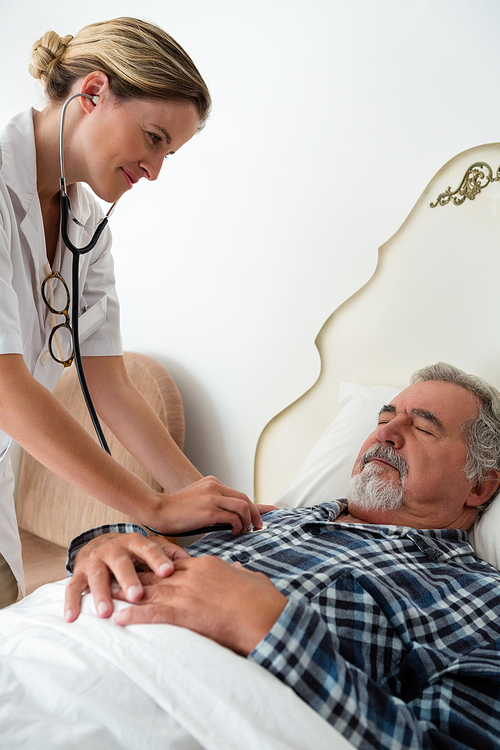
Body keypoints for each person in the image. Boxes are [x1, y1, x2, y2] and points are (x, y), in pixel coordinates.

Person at [66, 362, 500, 749]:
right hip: (61, 638)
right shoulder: (267, 517)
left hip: (154, 711)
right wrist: (105, 544)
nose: (386, 432)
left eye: (423, 428)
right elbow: (161, 549)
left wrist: (271, 629)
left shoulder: (482, 601)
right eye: (384, 417)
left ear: (479, 486)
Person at [0, 17, 265, 607]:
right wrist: (153, 506)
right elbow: (3, 384)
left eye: (168, 152)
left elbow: (109, 382)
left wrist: (204, 499)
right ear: (92, 93)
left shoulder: (85, 225)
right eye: (153, 138)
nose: (154, 171)